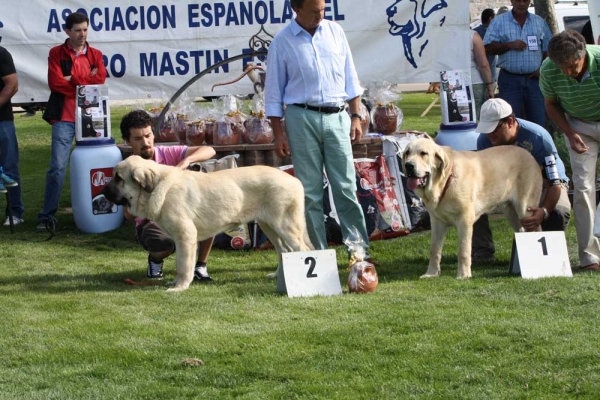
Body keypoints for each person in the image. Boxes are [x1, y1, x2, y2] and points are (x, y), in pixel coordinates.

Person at [264, 0, 370, 254]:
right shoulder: (282, 41)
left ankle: (359, 251)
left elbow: (350, 77)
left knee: (345, 186)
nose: (320, 16)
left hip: (337, 116)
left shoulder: (335, 31)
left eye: (323, 10)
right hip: (300, 117)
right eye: (314, 11)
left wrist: (356, 115)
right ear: (296, 9)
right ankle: (317, 253)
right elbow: (274, 92)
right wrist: (278, 134)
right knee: (309, 192)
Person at [120, 109, 217, 280]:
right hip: (152, 220)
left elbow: (209, 150)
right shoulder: (127, 170)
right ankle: (155, 259)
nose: (145, 142)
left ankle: (200, 267)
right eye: (138, 138)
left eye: (148, 135)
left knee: (209, 212)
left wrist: (187, 161)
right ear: (127, 141)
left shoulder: (167, 153)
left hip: (185, 212)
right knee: (164, 244)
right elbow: (128, 215)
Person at [471, 98, 571, 262]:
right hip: (507, 187)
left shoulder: (538, 138)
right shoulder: (485, 140)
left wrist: (543, 211)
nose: (490, 134)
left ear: (510, 121)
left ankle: (549, 254)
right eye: (486, 129)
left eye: (494, 129)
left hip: (545, 185)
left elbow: (554, 184)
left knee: (559, 211)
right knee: (471, 203)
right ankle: (483, 251)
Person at [37, 12, 107, 230]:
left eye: (85, 29)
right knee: (57, 167)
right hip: (64, 119)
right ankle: (46, 216)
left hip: (90, 118)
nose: (82, 34)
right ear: (67, 31)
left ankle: (96, 209)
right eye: (78, 30)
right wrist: (86, 81)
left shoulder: (95, 54)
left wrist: (74, 80)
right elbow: (56, 83)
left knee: (94, 166)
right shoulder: (56, 53)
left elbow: (100, 79)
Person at [540, 30, 600, 271]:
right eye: (561, 66)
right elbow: (550, 105)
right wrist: (570, 133)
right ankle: (590, 257)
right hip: (577, 125)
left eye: (572, 66)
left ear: (583, 54)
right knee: (583, 187)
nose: (566, 71)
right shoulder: (548, 69)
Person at [483, 0, 552, 127]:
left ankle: (535, 146)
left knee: (537, 121)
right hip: (510, 80)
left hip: (535, 80)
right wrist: (509, 45)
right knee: (510, 121)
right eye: (517, 0)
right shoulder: (499, 22)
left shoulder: (539, 22)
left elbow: (549, 49)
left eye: (525, 0)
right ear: (511, 1)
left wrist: (542, 69)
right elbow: (488, 47)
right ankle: (513, 147)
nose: (521, 3)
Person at [0, 45, 24, 225]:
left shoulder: (1, 53)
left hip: (3, 120)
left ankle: (15, 212)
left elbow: (12, 84)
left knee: (9, 167)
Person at [470, 30, 495, 119]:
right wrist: (490, 87)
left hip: (451, 81)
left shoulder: (443, 36)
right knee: (476, 118)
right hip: (473, 81)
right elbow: (483, 65)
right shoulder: (473, 36)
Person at [474, 8, 497, 85]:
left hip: (476, 74)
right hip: (490, 71)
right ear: (491, 18)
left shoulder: (474, 32)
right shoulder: (493, 32)